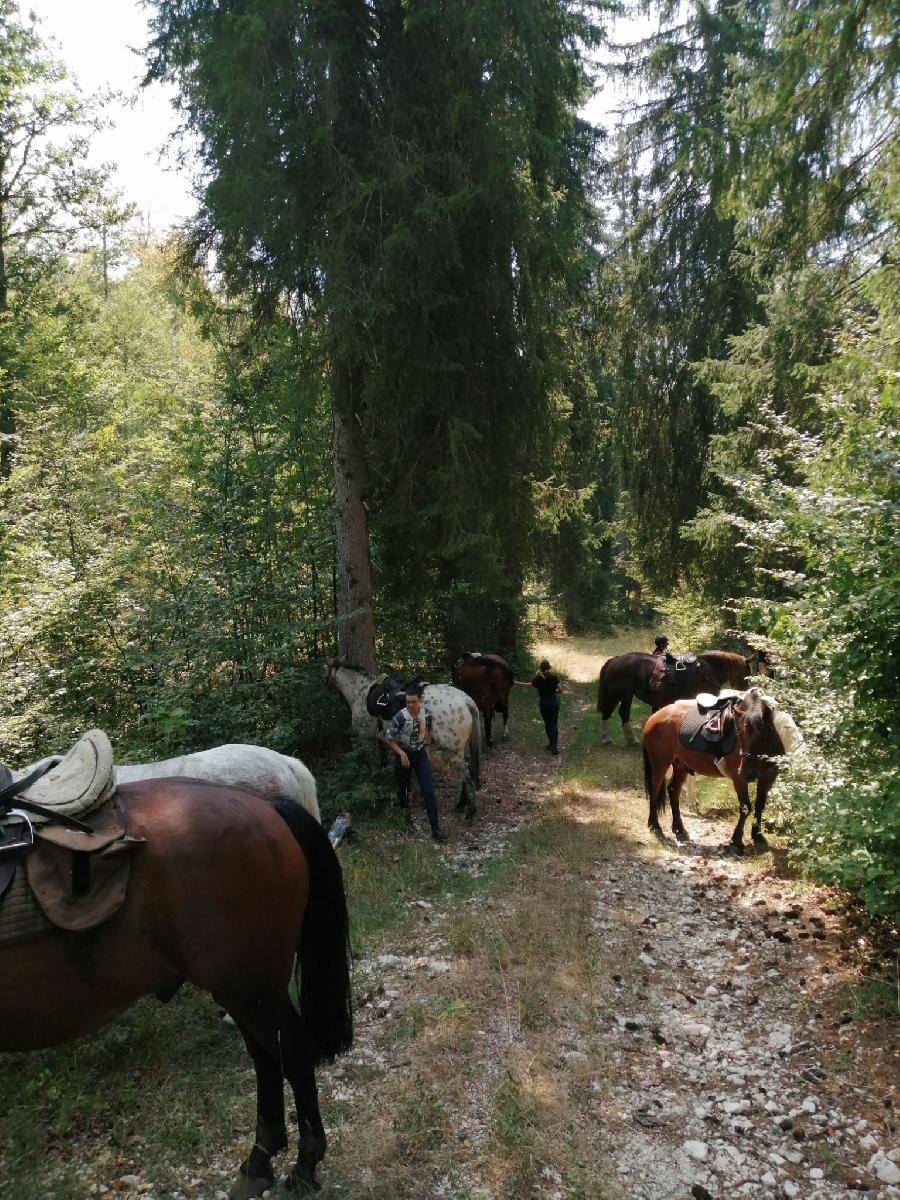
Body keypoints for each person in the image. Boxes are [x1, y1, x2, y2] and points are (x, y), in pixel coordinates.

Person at [385, 684, 447, 844]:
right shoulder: (400, 716)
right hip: (403, 756)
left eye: (413, 702)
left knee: (428, 791)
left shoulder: (426, 714)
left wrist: (426, 745)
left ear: (420, 700)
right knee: (403, 790)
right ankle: (405, 822)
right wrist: (401, 753)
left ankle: (435, 829)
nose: (410, 705)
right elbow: (389, 738)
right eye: (407, 702)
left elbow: (429, 730)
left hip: (419, 755)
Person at [514, 659, 564, 754]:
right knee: (553, 724)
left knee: (547, 724)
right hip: (553, 702)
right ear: (549, 667)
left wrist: (515, 682)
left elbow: (528, 685)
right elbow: (561, 690)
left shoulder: (538, 678)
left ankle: (550, 744)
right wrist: (556, 690)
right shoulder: (554, 677)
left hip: (543, 703)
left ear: (541, 669)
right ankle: (554, 747)